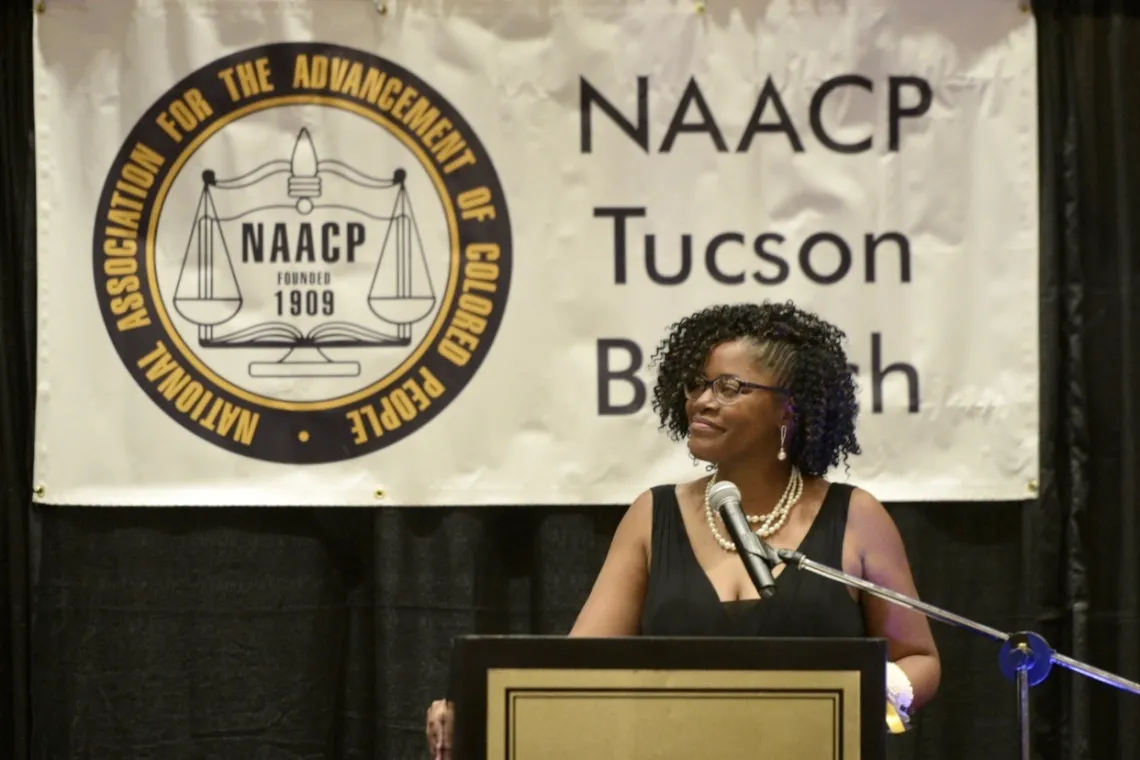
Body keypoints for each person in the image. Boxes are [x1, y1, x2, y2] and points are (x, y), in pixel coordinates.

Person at [426, 301, 940, 759]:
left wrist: (875, 696)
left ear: (790, 407)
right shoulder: (653, 516)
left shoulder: (856, 516)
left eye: (730, 387)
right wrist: (475, 713)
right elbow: (575, 667)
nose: (702, 401)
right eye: (697, 384)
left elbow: (917, 656)